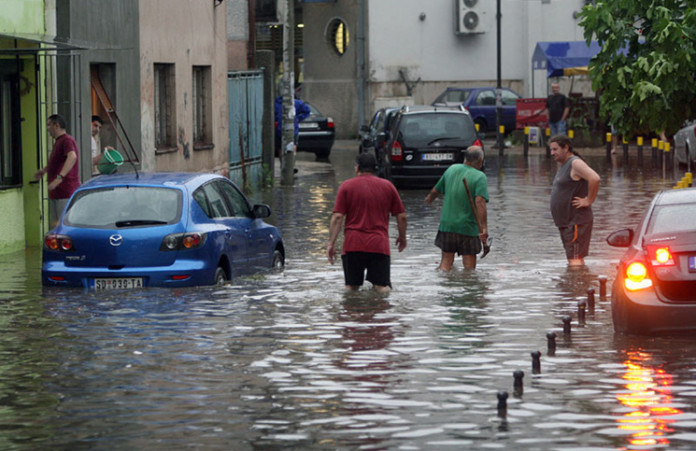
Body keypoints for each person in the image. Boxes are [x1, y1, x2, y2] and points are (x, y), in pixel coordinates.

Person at [327, 152, 407, 294]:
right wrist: (402, 237)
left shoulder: (346, 186)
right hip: (379, 245)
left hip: (353, 245)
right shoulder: (388, 186)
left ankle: (351, 312)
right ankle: (384, 312)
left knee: (351, 287)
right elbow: (401, 217)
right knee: (381, 287)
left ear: (357, 168)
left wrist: (331, 244)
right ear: (375, 168)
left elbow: (337, 217)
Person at [425, 146, 489, 271]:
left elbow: (435, 191)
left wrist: (429, 199)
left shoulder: (451, 169)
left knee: (445, 263)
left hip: (447, 225)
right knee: (469, 269)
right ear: (480, 161)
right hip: (468, 227)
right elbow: (480, 202)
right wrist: (484, 228)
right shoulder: (480, 176)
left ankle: (442, 287)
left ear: (465, 159)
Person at [549, 135, 600, 266]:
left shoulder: (575, 163)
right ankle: (578, 282)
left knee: (575, 260)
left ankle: (577, 285)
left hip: (576, 221)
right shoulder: (564, 165)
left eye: (555, 149)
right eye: (551, 150)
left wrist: (589, 200)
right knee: (574, 259)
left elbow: (595, 178)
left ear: (566, 148)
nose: (552, 153)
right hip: (567, 223)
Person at [34, 114, 81, 227]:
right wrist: (44, 171)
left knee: (64, 225)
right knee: (57, 225)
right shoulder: (59, 141)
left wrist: (59, 178)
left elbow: (72, 157)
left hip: (65, 191)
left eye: (49, 125)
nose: (47, 128)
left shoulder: (67, 140)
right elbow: (58, 161)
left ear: (57, 125)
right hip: (58, 192)